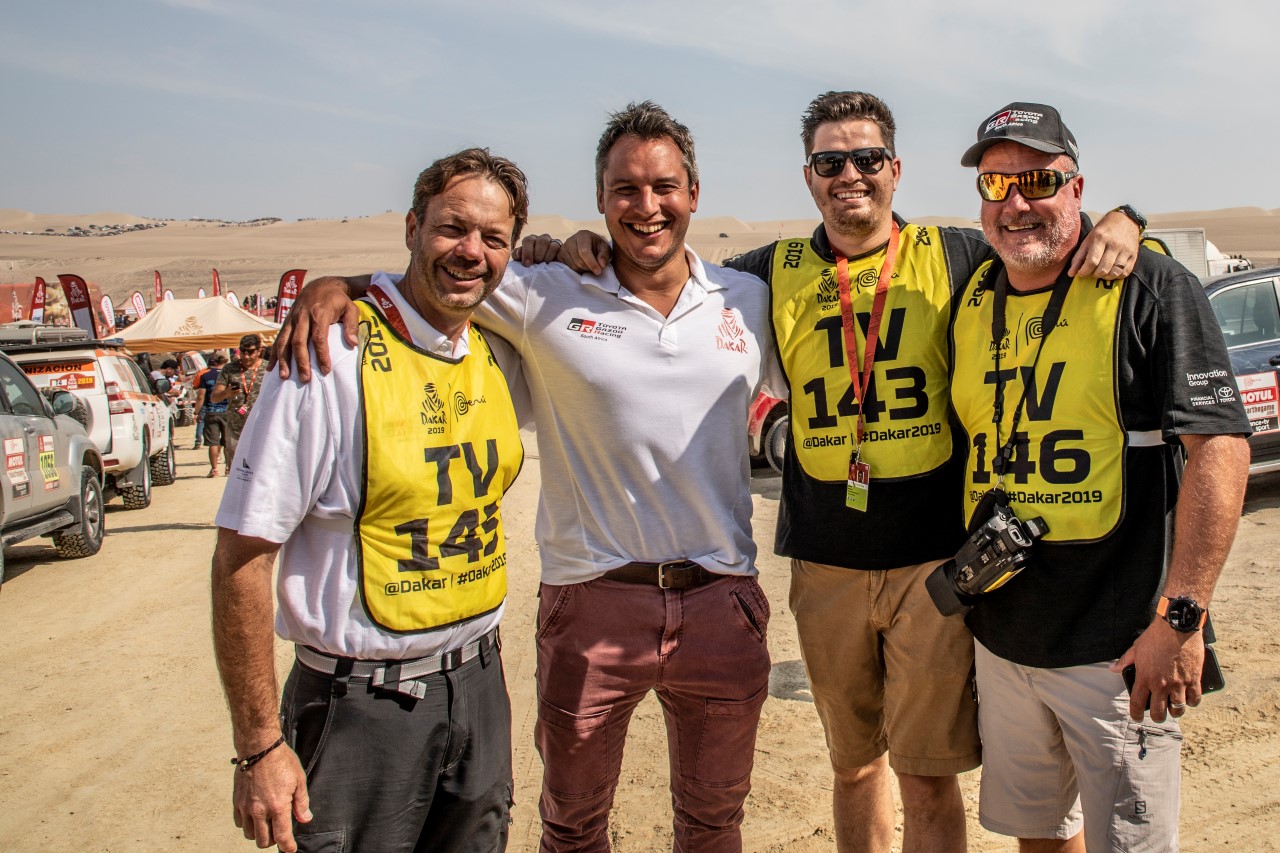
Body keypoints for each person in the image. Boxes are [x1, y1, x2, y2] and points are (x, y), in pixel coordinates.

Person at [542, 91, 1143, 853]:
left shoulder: (956, 254)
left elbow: (1041, 238)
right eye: (831, 161)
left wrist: (1125, 219)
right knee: (855, 766)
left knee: (927, 774)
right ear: (809, 176)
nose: (849, 174)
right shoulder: (768, 273)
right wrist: (574, 249)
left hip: (934, 565)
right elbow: (665, 272)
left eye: (866, 157)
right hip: (825, 562)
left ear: (895, 168)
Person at [275, 101, 782, 852]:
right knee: (571, 825)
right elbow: (439, 276)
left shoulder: (749, 300)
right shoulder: (546, 289)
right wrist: (335, 285)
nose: (646, 206)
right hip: (593, 599)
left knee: (714, 824)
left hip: (720, 599)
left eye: (664, 186)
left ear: (694, 193)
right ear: (601, 198)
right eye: (625, 189)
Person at [947, 102, 1251, 851]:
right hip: (1004, 639)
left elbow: (1219, 450)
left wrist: (1182, 620)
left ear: (1077, 188)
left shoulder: (1151, 285)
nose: (1015, 203)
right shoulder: (972, 291)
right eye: (995, 184)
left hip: (1118, 649)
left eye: (1038, 180)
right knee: (1040, 837)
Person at [211, 148, 530, 853]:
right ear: (412, 228)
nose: (471, 251)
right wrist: (259, 746)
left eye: (494, 237)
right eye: (451, 228)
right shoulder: (328, 357)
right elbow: (241, 556)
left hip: (478, 688)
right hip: (360, 706)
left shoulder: (495, 350)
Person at [211, 334, 267, 461]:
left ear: (259, 351)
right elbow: (214, 397)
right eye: (243, 351)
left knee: (260, 464)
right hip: (236, 428)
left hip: (261, 427)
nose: (246, 356)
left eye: (250, 352)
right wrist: (226, 393)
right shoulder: (229, 368)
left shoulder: (269, 368)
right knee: (236, 467)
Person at [194, 353, 229, 475]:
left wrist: (196, 412)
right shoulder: (229, 375)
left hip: (211, 411)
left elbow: (201, 396)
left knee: (213, 442)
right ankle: (228, 468)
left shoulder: (206, 375)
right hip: (227, 411)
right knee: (227, 442)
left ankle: (214, 469)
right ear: (226, 361)